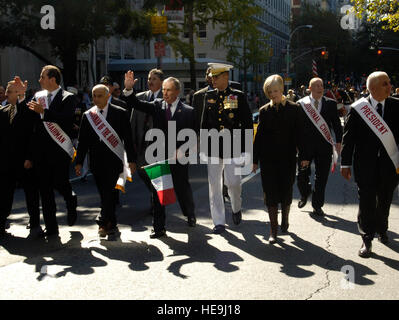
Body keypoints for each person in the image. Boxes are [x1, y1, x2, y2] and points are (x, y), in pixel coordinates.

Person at [123, 71, 197, 239]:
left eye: (169, 90)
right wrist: (128, 89)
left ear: (177, 91)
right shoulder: (157, 105)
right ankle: (158, 228)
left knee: (181, 188)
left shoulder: (188, 111)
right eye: (163, 90)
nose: (165, 93)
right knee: (158, 193)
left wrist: (184, 150)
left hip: (178, 158)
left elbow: (194, 136)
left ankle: (189, 213)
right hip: (158, 155)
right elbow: (135, 103)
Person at [341, 71, 399, 258]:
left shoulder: (396, 106)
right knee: (366, 202)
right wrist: (345, 163)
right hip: (365, 166)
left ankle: (383, 229)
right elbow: (348, 139)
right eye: (385, 83)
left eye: (389, 83)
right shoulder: (359, 109)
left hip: (390, 165)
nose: (390, 86)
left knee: (384, 201)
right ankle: (366, 239)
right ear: (372, 88)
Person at [75, 85, 136, 237]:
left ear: (108, 96)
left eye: (99, 96)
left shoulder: (120, 113)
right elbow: (83, 142)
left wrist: (132, 160)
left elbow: (128, 139)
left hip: (115, 160)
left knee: (109, 191)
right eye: (94, 95)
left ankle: (102, 222)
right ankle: (111, 222)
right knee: (104, 193)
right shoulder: (88, 115)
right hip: (96, 161)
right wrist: (79, 162)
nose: (96, 99)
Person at [200, 63, 253, 234]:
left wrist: (247, 148)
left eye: (216, 77)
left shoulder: (238, 96)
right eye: (211, 77)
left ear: (225, 77)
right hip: (213, 147)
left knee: (233, 182)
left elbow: (247, 124)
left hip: (234, 145)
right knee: (214, 185)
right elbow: (204, 123)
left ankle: (236, 207)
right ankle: (219, 221)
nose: (212, 80)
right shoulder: (208, 96)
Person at [26, 65, 78, 239]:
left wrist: (45, 112)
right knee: (45, 191)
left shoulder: (68, 98)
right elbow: (31, 125)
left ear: (52, 79)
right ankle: (52, 228)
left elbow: (66, 120)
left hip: (59, 151)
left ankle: (71, 200)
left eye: (42, 77)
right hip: (41, 153)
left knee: (60, 184)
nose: (40, 80)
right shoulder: (38, 97)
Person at [252, 75, 304, 243]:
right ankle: (273, 230)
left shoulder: (294, 109)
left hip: (287, 159)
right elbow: (258, 138)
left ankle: (285, 219)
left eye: (275, 91)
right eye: (270, 91)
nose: (273, 94)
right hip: (268, 161)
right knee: (270, 195)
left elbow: (300, 135)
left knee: (286, 192)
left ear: (282, 90)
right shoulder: (264, 111)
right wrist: (254, 160)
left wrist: (304, 156)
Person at [0, 78, 40, 238]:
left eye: (9, 92)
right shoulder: (3, 112)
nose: (6, 94)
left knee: (31, 193)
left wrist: (30, 157)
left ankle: (35, 224)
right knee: (4, 193)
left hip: (25, 161)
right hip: (6, 162)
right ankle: (1, 222)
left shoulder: (28, 110)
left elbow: (32, 135)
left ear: (17, 93)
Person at [297, 78, 343, 216]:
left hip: (324, 146)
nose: (320, 88)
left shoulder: (331, 104)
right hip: (305, 147)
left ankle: (317, 205)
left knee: (322, 177)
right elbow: (296, 128)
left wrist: (339, 142)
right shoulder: (301, 104)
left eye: (321, 85)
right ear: (309, 88)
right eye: (316, 85)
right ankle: (305, 193)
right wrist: (298, 147)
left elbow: (336, 125)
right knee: (302, 176)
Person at [129, 68, 164, 215]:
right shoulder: (140, 97)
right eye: (149, 79)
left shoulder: (166, 97)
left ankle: (156, 204)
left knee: (156, 174)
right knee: (142, 173)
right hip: (141, 143)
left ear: (161, 82)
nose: (150, 81)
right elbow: (133, 121)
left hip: (158, 144)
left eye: (154, 79)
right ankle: (155, 195)